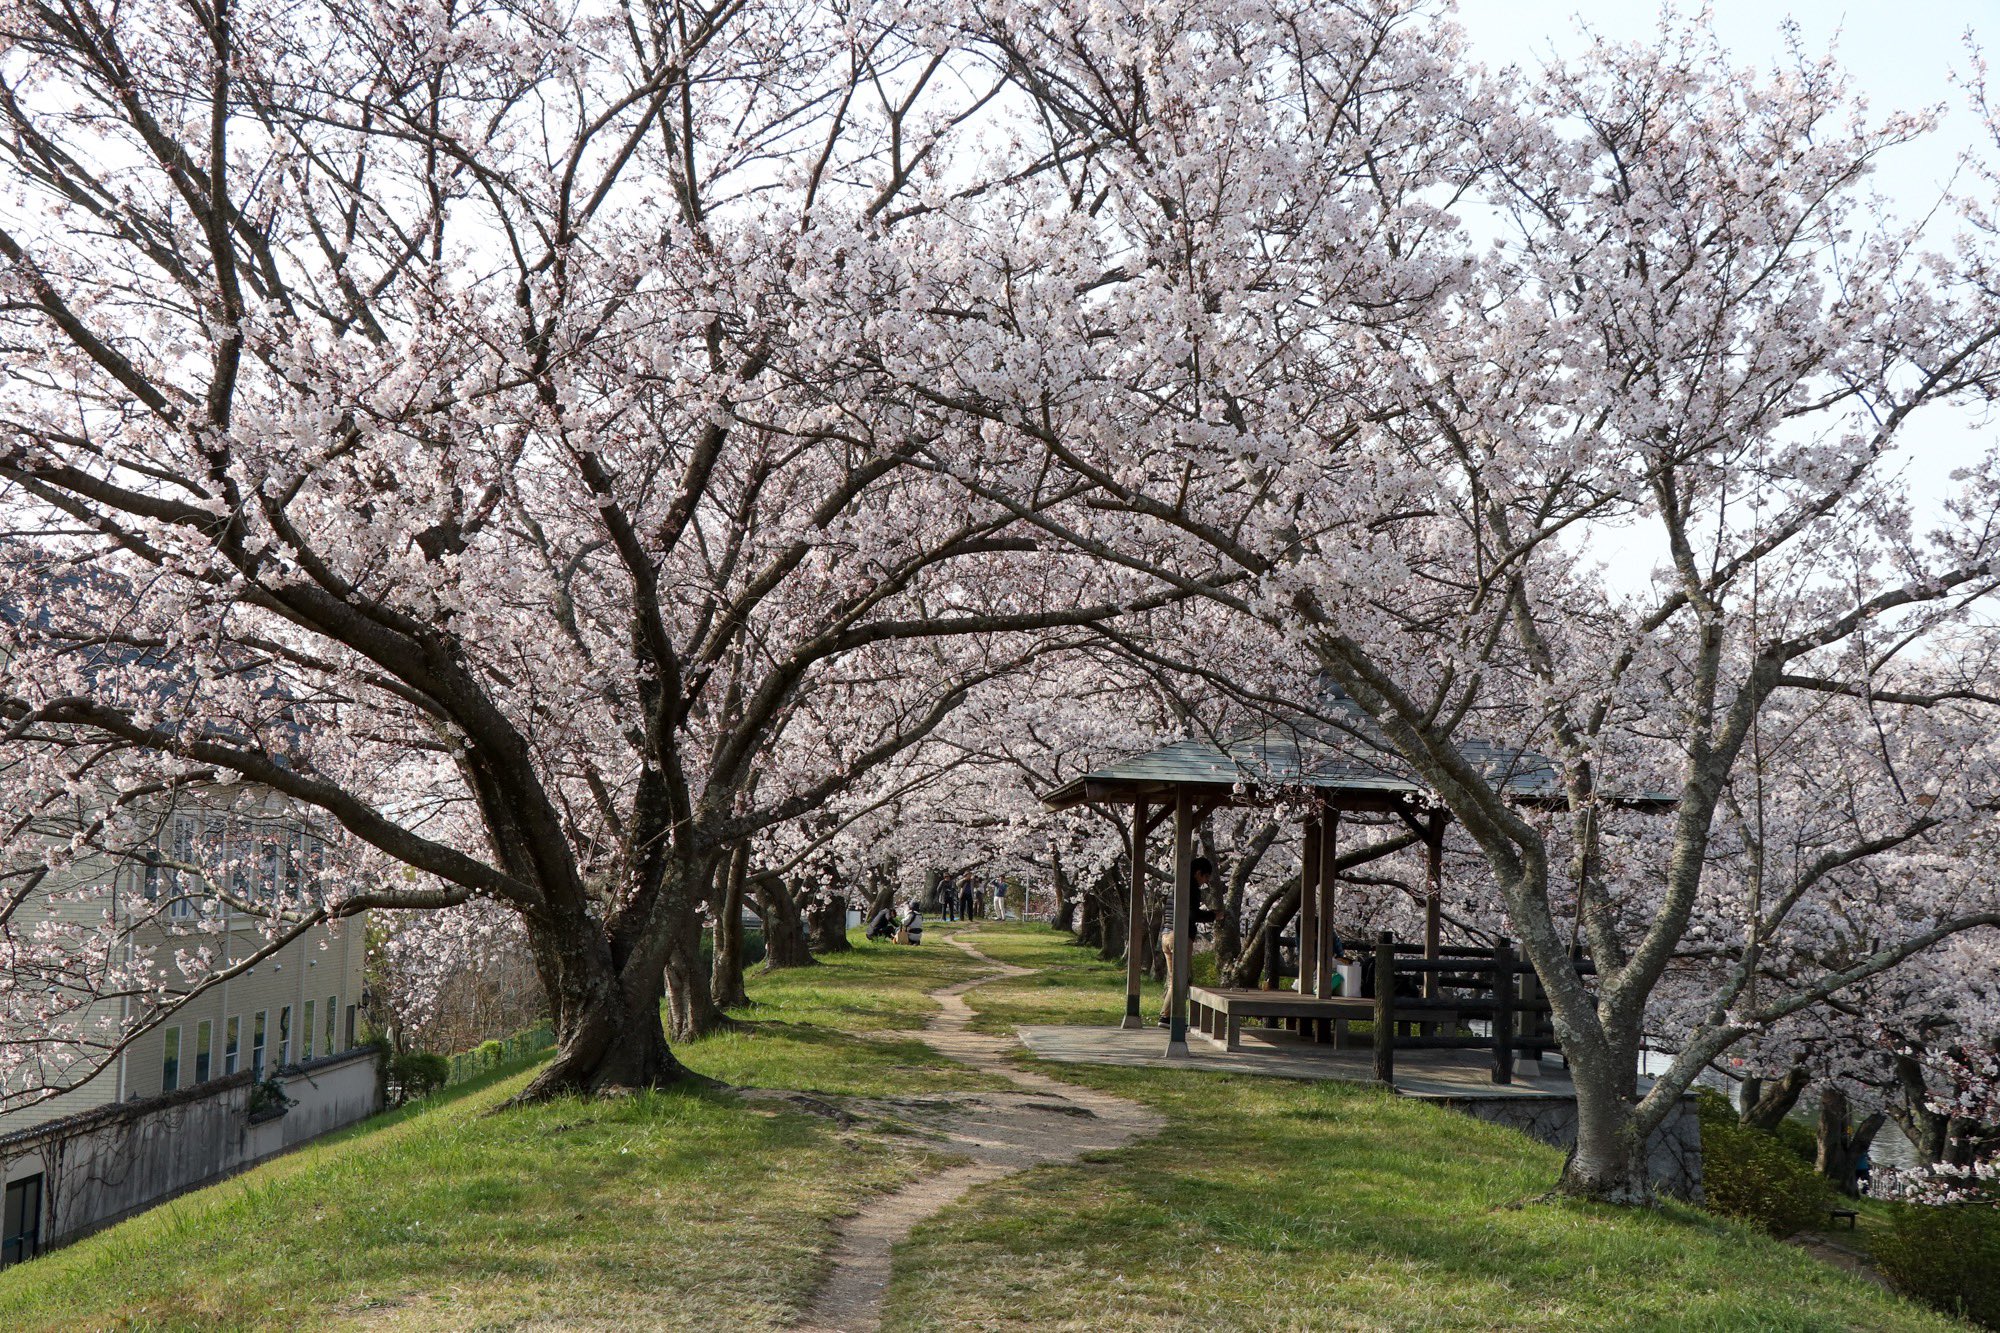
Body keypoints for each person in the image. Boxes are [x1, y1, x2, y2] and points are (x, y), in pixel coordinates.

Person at [1159, 856, 1220, 1026]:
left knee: (1175, 979)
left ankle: (1166, 1016)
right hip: (1180, 936)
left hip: (1166, 934)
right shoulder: (1191, 888)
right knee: (1181, 978)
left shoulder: (1176, 885)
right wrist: (1213, 915)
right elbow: (1192, 914)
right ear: (1198, 873)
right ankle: (1171, 1017)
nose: (1205, 881)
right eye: (1205, 877)